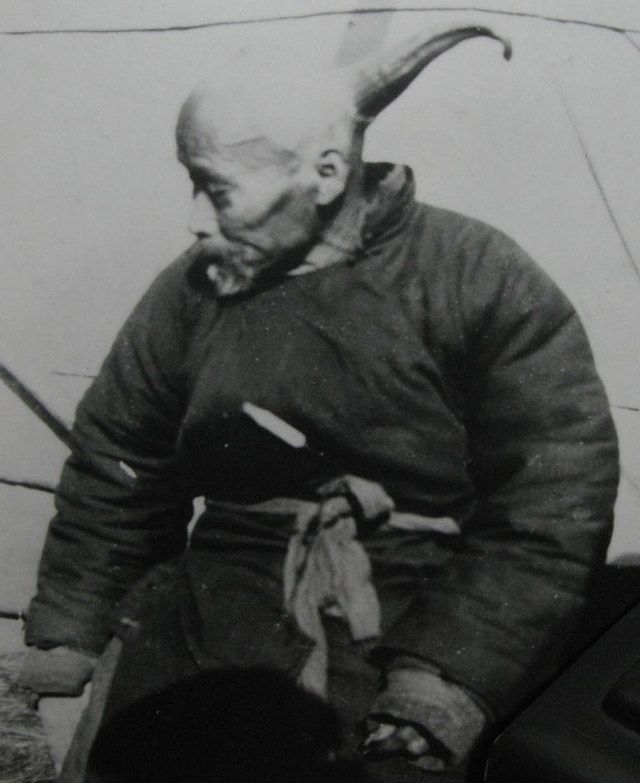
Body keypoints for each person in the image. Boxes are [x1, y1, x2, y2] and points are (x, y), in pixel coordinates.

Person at [20, 24, 619, 782]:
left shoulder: (477, 275)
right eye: (192, 183)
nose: (197, 217)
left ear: (328, 170)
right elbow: (119, 463)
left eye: (220, 187)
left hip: (406, 632)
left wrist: (448, 677)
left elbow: (556, 496)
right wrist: (71, 631)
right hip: (206, 627)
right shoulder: (194, 288)